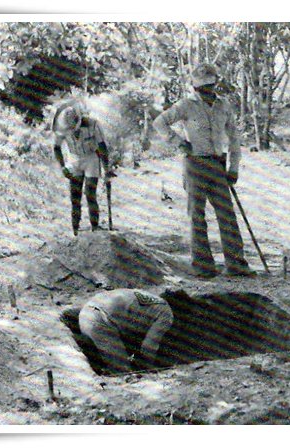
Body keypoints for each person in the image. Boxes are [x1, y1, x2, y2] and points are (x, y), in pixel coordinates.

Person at [153, 63, 255, 279]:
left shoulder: (224, 106)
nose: (205, 91)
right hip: (195, 165)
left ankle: (236, 265)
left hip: (218, 164)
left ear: (215, 84)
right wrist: (179, 142)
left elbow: (234, 138)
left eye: (209, 86)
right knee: (197, 216)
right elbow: (160, 122)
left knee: (226, 215)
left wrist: (233, 168)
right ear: (196, 87)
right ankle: (202, 266)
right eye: (201, 87)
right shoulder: (186, 105)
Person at [78, 288, 180, 373]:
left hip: (86, 313)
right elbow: (148, 347)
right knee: (123, 372)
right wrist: (150, 369)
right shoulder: (167, 314)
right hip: (99, 320)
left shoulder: (154, 305)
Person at [52, 100, 111, 236]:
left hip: (91, 158)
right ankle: (76, 230)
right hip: (74, 159)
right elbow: (56, 148)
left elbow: (102, 147)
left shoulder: (93, 125)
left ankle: (95, 227)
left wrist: (106, 169)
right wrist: (63, 167)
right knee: (75, 196)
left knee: (90, 193)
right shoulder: (62, 128)